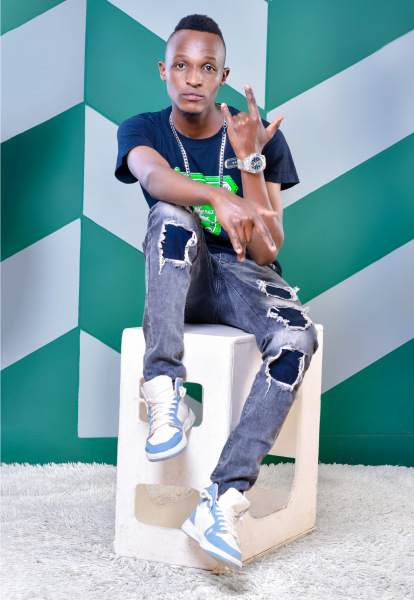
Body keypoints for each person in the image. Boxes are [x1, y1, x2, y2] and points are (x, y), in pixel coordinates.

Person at [115, 14, 319, 571]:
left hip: (243, 279)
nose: (193, 79)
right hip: (181, 273)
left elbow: (267, 251)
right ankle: (164, 386)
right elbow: (153, 179)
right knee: (171, 215)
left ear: (223, 76)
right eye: (181, 65)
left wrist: (250, 161)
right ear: (163, 70)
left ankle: (223, 498)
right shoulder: (142, 128)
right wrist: (215, 196)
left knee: (298, 339)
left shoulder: (254, 135)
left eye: (207, 69)